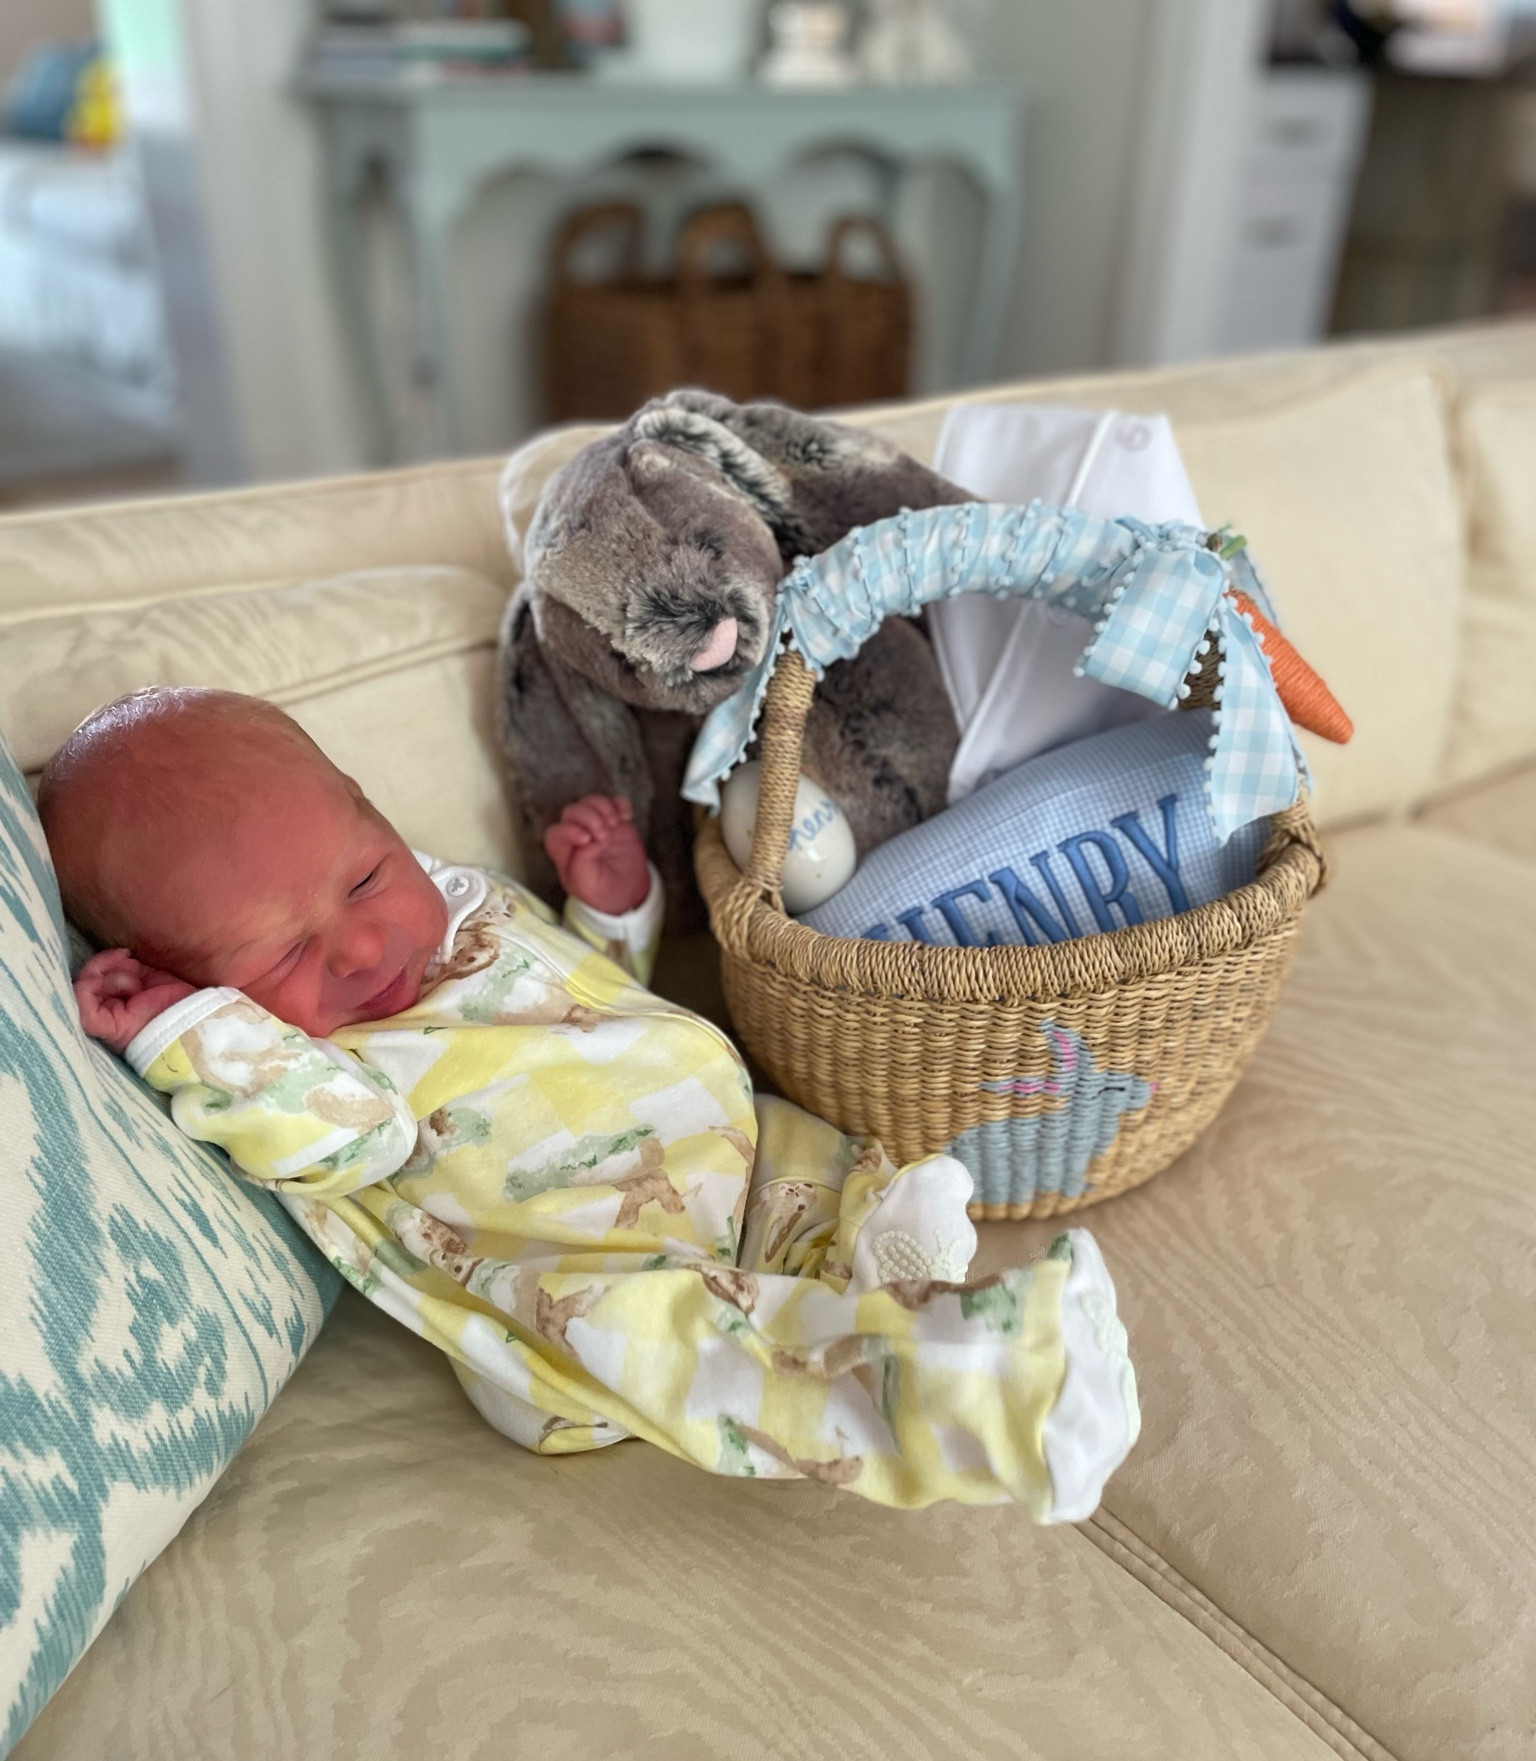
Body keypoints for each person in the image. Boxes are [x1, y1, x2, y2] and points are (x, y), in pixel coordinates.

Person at [41, 685, 1139, 1514]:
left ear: (374, 817)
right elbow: (323, 1139)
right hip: (583, 1290)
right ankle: (982, 1400)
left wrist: (611, 914)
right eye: (277, 950)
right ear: (195, 978)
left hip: (720, 1158)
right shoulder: (308, 1067)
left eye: (367, 877)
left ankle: (862, 1250)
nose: (365, 942)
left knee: (812, 1147)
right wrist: (187, 1035)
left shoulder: (458, 915)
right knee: (720, 1346)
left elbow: (575, 999)